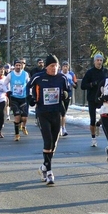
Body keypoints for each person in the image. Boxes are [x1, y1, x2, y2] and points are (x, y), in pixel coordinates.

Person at [27, 54, 70, 185]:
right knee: (48, 141)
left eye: (56, 66)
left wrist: (66, 95)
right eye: (52, 66)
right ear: (46, 67)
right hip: (42, 113)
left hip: (56, 112)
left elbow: (67, 91)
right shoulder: (38, 77)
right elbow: (28, 88)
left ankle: (44, 167)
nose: (54, 68)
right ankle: (49, 171)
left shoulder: (62, 77)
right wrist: (31, 99)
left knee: (54, 143)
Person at [80, 53, 108, 147]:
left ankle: (99, 123)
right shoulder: (90, 72)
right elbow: (83, 86)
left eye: (101, 60)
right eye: (97, 60)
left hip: (102, 97)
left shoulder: (105, 71)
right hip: (92, 98)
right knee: (92, 119)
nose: (99, 62)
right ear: (94, 61)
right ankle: (93, 138)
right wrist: (92, 84)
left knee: (106, 116)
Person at [3, 59, 30, 141]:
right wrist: (7, 91)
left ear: (21, 66)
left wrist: (30, 94)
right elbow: (4, 84)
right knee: (17, 117)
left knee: (24, 118)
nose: (18, 67)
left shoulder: (25, 74)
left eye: (19, 65)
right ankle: (17, 134)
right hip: (14, 98)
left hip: (23, 98)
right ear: (14, 66)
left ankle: (23, 126)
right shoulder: (10, 75)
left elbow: (29, 84)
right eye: (16, 65)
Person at [60, 61, 77, 136]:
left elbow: (76, 86)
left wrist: (72, 83)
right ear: (61, 67)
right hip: (60, 94)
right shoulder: (59, 74)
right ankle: (61, 127)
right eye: (64, 66)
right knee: (61, 111)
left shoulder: (71, 74)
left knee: (64, 112)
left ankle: (63, 127)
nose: (65, 68)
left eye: (67, 66)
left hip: (68, 93)